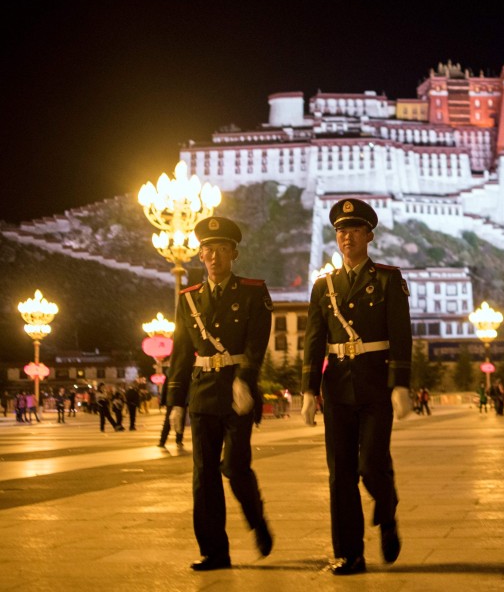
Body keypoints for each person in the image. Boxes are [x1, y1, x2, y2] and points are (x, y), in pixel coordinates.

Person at [300, 198, 413, 576]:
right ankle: (349, 553)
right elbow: (314, 342)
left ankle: (388, 507)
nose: (346, 237)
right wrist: (307, 390)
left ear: (369, 235)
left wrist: (401, 384)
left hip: (377, 383)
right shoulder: (323, 286)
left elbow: (401, 335)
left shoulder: (387, 279)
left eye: (354, 230)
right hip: (337, 389)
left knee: (370, 465)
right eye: (340, 231)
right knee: (341, 473)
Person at [167, 216, 274, 571]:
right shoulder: (189, 299)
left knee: (235, 466)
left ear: (234, 254)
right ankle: (214, 551)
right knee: (204, 476)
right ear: (200, 255)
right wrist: (175, 402)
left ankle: (256, 519)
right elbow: (181, 353)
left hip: (236, 393)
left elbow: (256, 344)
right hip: (202, 394)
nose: (214, 256)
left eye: (222, 250)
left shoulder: (253, 291)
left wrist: (246, 380)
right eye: (208, 250)